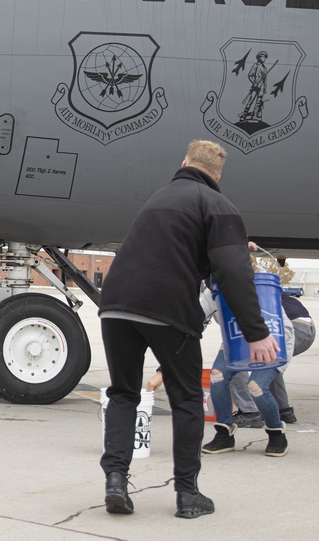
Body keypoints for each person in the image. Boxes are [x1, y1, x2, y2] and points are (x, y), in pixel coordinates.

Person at [96, 139, 278, 519]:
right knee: (187, 400)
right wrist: (256, 332)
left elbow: (178, 250)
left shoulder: (159, 197)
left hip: (114, 303)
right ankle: (187, 494)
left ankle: (115, 480)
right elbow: (233, 272)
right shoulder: (218, 205)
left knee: (124, 393)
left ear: (184, 163)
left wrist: (227, 247)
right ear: (218, 174)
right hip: (166, 309)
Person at [202, 282, 294, 457]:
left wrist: (265, 340)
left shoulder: (261, 288)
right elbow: (195, 317)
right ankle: (224, 434)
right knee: (217, 375)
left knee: (256, 386)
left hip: (273, 342)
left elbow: (286, 329)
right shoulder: (213, 291)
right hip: (236, 342)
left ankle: (276, 434)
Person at [230, 289, 316, 426]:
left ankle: (249, 412)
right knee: (271, 363)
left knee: (236, 356)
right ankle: (283, 410)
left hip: (292, 328)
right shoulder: (262, 285)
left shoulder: (240, 287)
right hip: (307, 328)